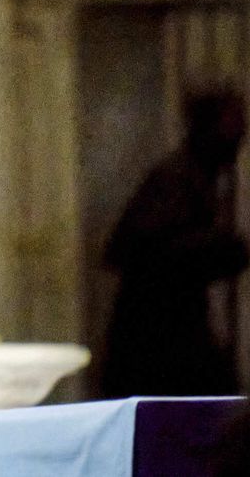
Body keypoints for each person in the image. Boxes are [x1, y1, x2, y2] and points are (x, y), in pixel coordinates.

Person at [103, 88, 248, 398]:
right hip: (155, 342)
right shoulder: (175, 178)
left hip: (170, 337)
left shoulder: (194, 178)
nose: (239, 135)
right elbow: (140, 249)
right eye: (230, 124)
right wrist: (224, 249)